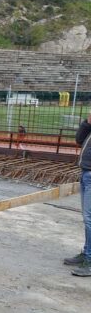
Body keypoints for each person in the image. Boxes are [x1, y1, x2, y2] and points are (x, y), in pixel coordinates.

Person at [65, 112, 91, 276]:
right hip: (86, 173)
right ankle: (86, 253)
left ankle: (89, 259)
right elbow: (79, 140)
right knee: (87, 218)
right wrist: (87, 123)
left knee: (90, 219)